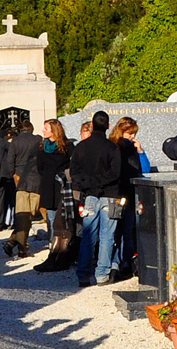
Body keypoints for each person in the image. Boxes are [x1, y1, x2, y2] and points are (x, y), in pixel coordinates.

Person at [70, 111, 121, 287]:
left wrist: (88, 183)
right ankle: (102, 274)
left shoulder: (81, 147)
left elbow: (74, 172)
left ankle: (83, 275)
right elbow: (115, 173)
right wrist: (99, 182)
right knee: (108, 236)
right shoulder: (113, 148)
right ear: (108, 126)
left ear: (91, 125)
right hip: (110, 195)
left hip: (89, 195)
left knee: (88, 236)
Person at [109, 117, 151, 280]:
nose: (132, 137)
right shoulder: (113, 146)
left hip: (131, 192)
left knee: (129, 229)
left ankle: (127, 261)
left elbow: (145, 169)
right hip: (118, 192)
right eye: (129, 133)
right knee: (116, 230)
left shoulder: (133, 148)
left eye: (134, 134)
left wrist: (140, 152)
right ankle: (116, 262)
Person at [3, 121, 42, 258]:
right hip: (36, 177)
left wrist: (13, 173)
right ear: (32, 128)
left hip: (20, 176)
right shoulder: (38, 140)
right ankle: (19, 246)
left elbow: (10, 160)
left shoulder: (15, 141)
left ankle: (14, 243)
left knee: (22, 215)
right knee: (28, 215)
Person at [37, 119, 74, 240]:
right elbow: (40, 167)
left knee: (63, 217)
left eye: (46, 128)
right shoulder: (43, 147)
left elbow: (72, 164)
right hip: (48, 186)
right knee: (51, 217)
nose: (43, 130)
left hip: (62, 186)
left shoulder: (67, 146)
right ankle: (52, 242)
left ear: (54, 131)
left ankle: (64, 242)